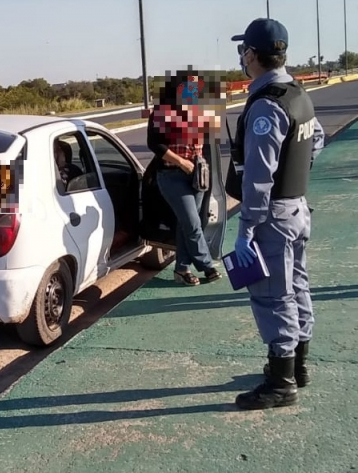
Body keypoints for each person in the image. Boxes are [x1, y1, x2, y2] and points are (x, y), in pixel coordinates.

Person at [229, 18, 325, 410]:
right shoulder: (296, 93)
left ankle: (281, 382)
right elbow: (316, 139)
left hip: (273, 216)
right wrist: (295, 177)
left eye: (243, 51)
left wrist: (247, 227)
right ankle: (297, 365)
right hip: (297, 208)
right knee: (297, 286)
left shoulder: (266, 104)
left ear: (252, 54)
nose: (241, 56)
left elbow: (258, 177)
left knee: (273, 296)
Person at [146, 71, 223, 286]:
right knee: (192, 222)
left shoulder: (198, 111)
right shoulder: (162, 112)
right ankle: (206, 265)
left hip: (197, 174)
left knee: (186, 223)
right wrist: (181, 162)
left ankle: (181, 269)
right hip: (171, 175)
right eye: (187, 88)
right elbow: (154, 144)